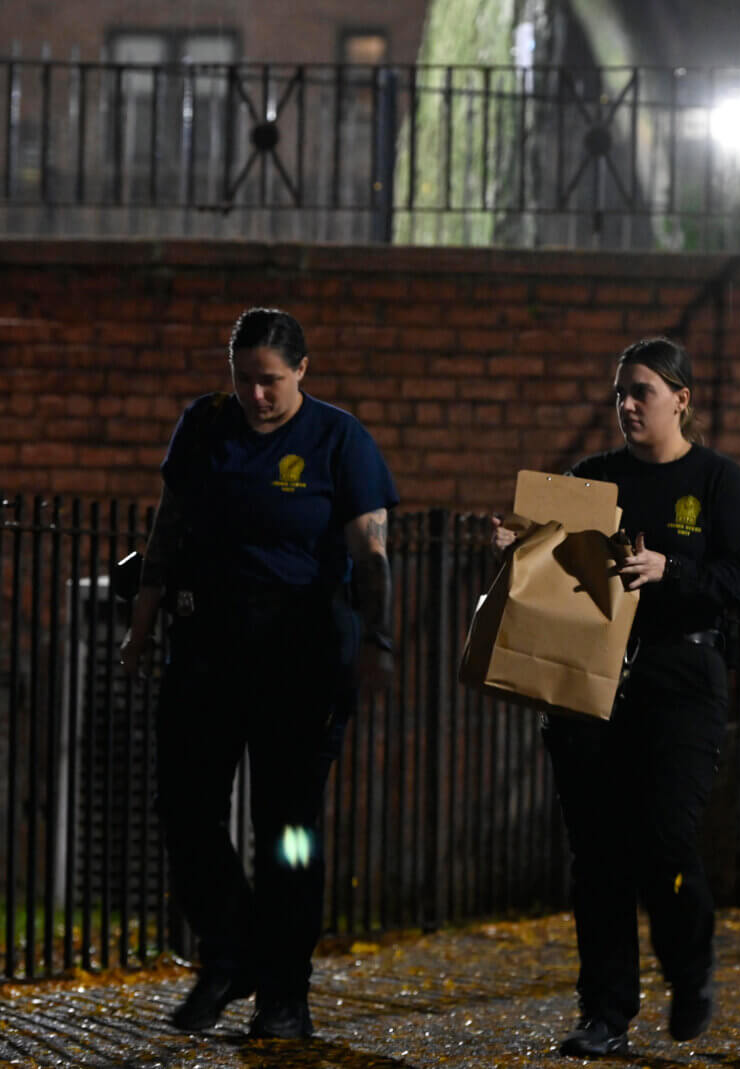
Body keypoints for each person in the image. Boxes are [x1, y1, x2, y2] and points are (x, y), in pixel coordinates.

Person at [119, 308, 398, 1040]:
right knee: (184, 807)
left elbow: (371, 550)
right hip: (208, 645)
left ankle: (284, 989)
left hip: (299, 654)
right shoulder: (206, 423)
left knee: (289, 829)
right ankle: (229, 946)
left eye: (270, 381)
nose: (256, 395)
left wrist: (378, 638)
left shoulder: (339, 439)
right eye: (243, 379)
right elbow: (169, 521)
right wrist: (145, 615)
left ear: (302, 370)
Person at [490, 337, 740, 1058]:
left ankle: (689, 965)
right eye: (620, 393)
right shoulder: (594, 480)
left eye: (642, 390)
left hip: (682, 678)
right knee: (598, 852)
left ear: (682, 397)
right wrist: (515, 543)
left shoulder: (715, 481)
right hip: (593, 680)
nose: (628, 404)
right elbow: (548, 562)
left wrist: (672, 569)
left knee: (667, 833)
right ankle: (604, 1010)